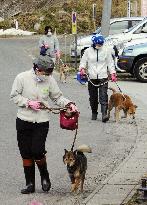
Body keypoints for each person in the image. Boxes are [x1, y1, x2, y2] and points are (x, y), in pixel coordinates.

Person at [10, 55, 77, 194]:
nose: (46, 76)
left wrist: (69, 104)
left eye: (49, 73)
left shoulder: (49, 80)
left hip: (41, 121)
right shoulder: (21, 78)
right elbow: (14, 96)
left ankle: (44, 176)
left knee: (37, 150)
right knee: (26, 152)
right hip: (23, 119)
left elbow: (58, 97)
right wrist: (28, 103)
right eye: (44, 73)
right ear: (36, 69)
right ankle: (30, 183)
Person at [79, 34, 117, 122]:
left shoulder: (106, 50)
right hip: (91, 77)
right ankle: (94, 113)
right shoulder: (88, 51)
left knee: (103, 96)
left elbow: (110, 63)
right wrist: (82, 69)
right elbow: (83, 62)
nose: (99, 46)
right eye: (98, 44)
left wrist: (113, 73)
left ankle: (104, 114)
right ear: (94, 43)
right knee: (93, 96)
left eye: (101, 44)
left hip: (103, 76)